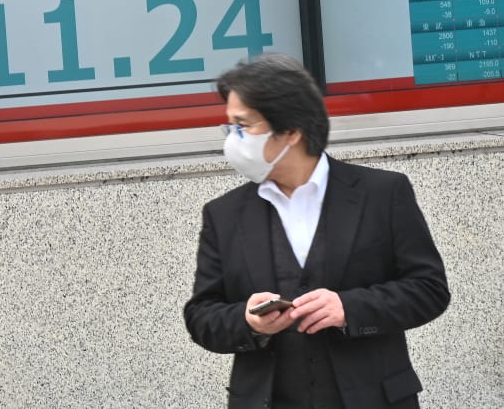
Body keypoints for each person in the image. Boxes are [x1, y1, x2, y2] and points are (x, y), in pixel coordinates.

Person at [184, 54, 450, 409]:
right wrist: (247, 322)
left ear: (292, 131)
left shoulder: (382, 193)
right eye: (229, 127)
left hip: (376, 399)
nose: (233, 139)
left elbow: (429, 290)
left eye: (244, 126)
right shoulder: (224, 214)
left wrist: (348, 307)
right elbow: (201, 315)